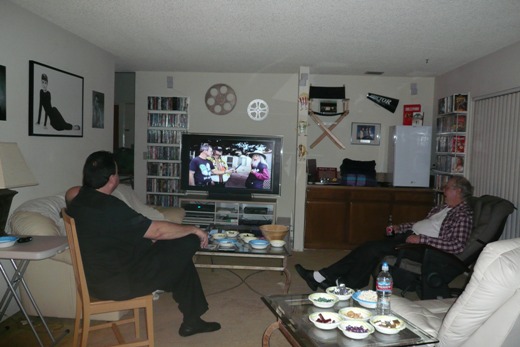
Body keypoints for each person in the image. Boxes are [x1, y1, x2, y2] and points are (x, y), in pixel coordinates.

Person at [66, 151, 220, 337]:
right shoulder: (109, 207)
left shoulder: (79, 199)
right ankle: (192, 320)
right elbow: (157, 231)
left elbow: (116, 229)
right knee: (188, 241)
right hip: (120, 282)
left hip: (103, 275)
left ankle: (192, 321)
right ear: (113, 178)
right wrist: (195, 229)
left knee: (178, 259)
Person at [295, 176, 474, 291]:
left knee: (372, 249)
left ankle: (324, 277)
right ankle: (340, 281)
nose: (444, 189)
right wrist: (400, 227)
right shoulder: (444, 207)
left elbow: (456, 245)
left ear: (458, 191)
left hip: (425, 250)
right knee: (369, 248)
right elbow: (421, 224)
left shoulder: (463, 214)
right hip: (411, 238)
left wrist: (421, 239)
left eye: (448, 187)